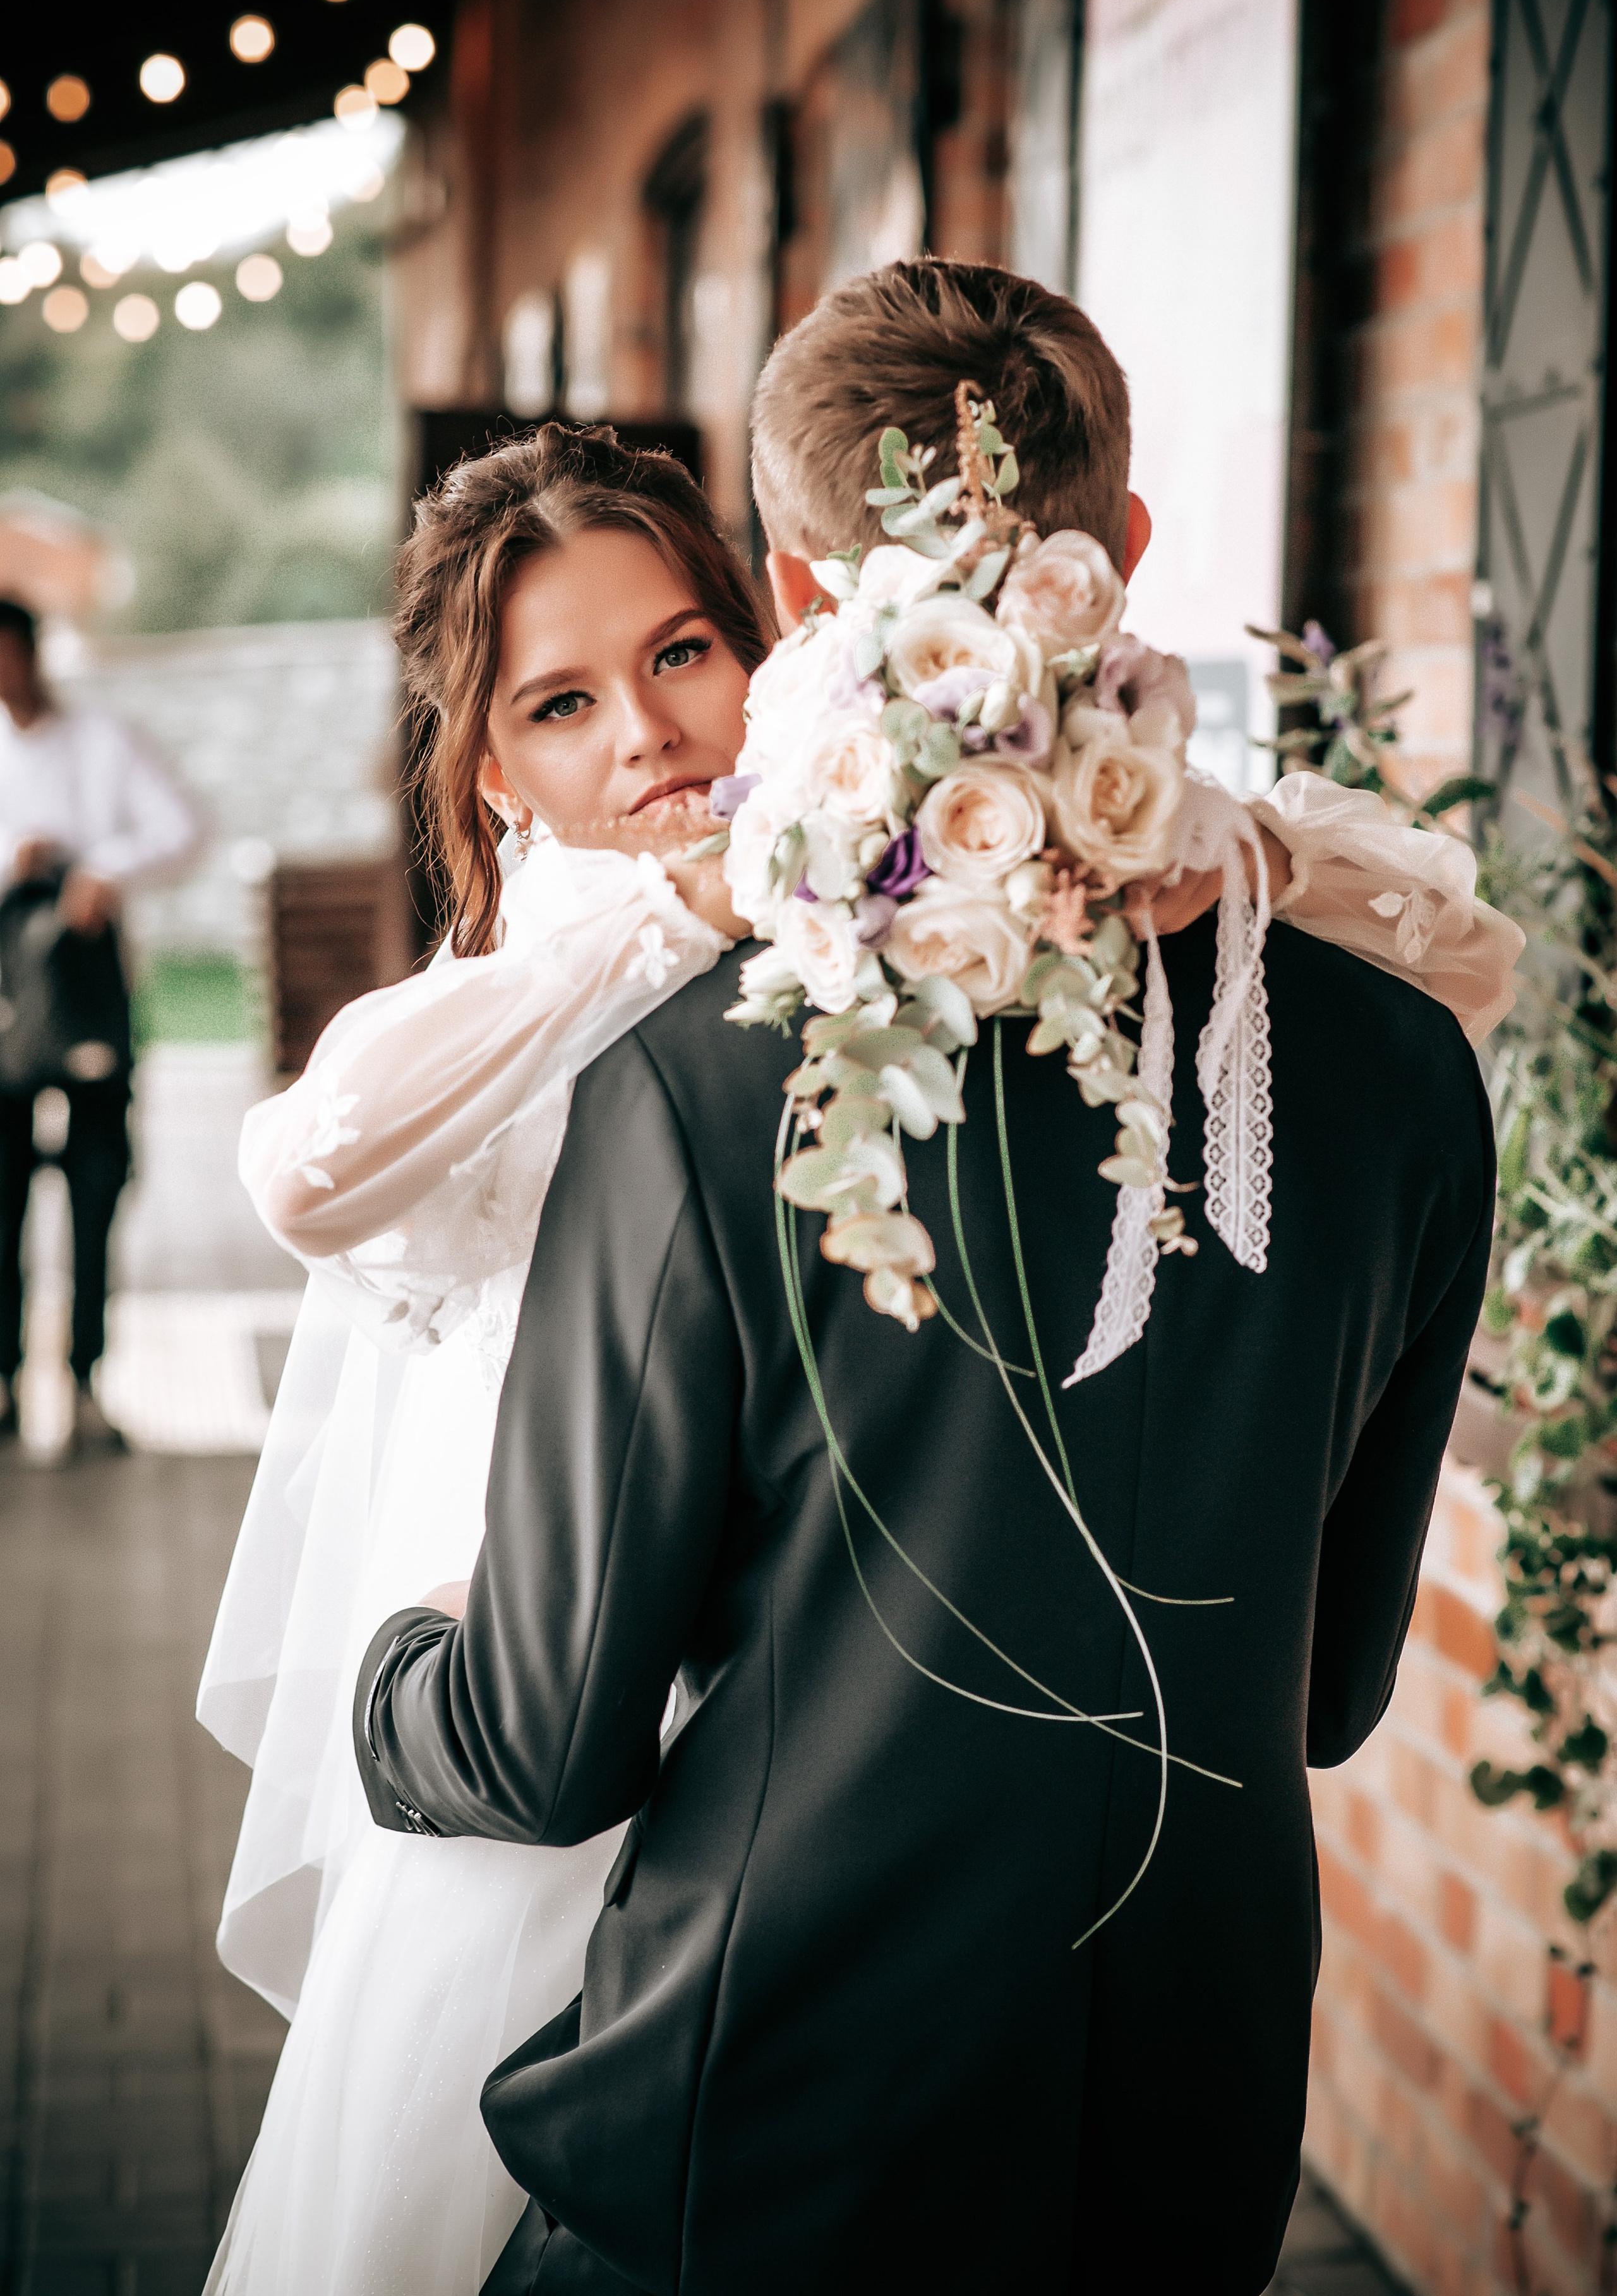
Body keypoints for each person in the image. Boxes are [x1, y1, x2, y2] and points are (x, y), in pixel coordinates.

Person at [201, 274, 1514, 2295]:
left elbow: (548, 1745)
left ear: (799, 599)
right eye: (557, 703)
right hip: (1192, 2126)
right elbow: (1328, 1693)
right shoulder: (1408, 1062)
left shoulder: (708, 1079)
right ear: (1131, 547)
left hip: (774, 2121)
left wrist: (391, 1680)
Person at [0, 597, 198, 1445]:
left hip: (88, 1006)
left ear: (34, 654)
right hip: (5, 1010)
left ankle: (84, 1382)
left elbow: (178, 828)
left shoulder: (102, 743)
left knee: (94, 1191)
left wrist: (101, 869)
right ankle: (4, 1384)